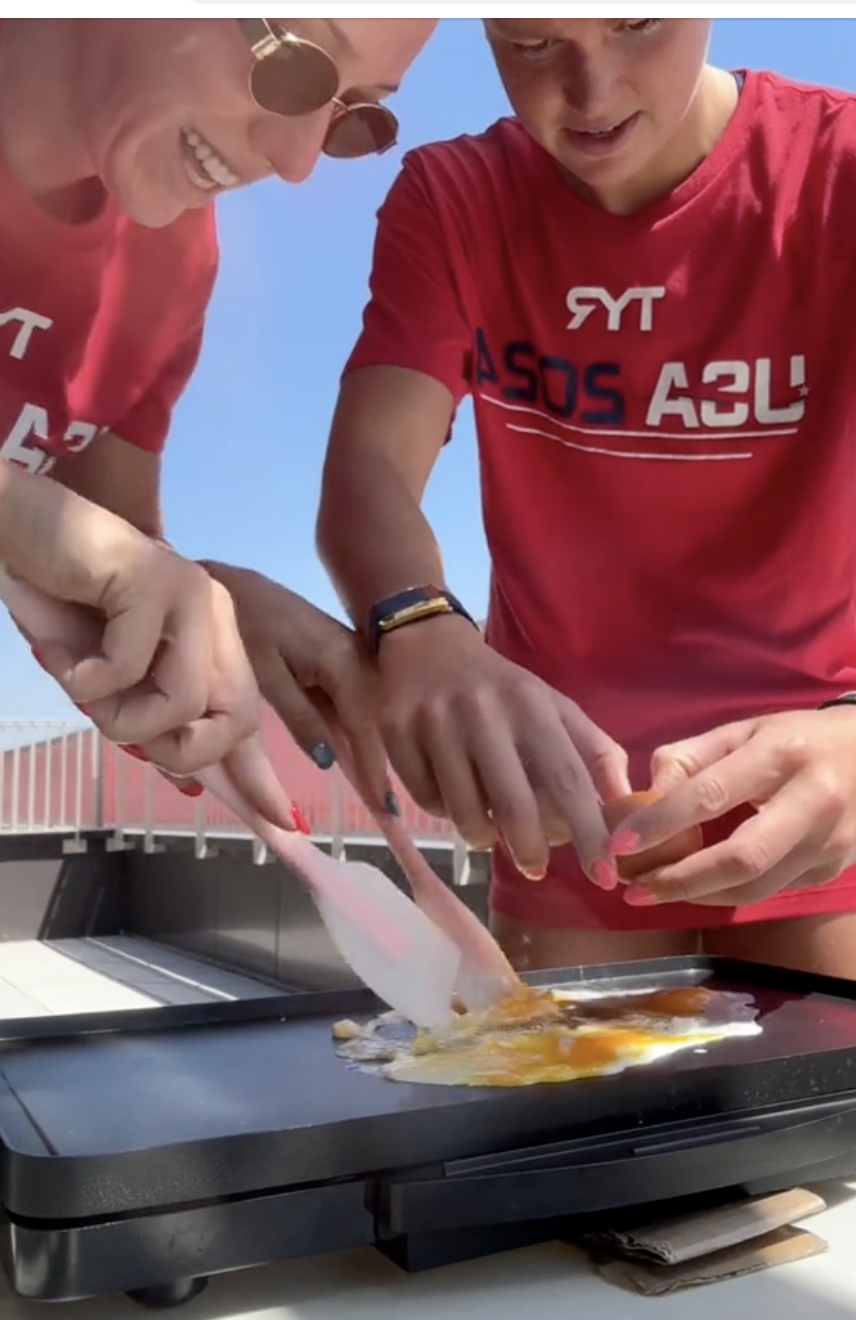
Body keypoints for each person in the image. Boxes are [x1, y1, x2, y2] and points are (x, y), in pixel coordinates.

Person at [317, 16, 856, 978]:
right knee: (562, 1116)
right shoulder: (455, 197)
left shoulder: (837, 169)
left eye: (637, 25)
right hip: (565, 798)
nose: (593, 92)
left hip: (819, 782)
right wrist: (420, 626)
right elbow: (369, 466)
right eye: (530, 43)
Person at [0, 16, 434, 818]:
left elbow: (108, 558)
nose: (296, 161)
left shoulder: (171, 259)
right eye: (296, 63)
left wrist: (206, 605)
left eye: (351, 114)